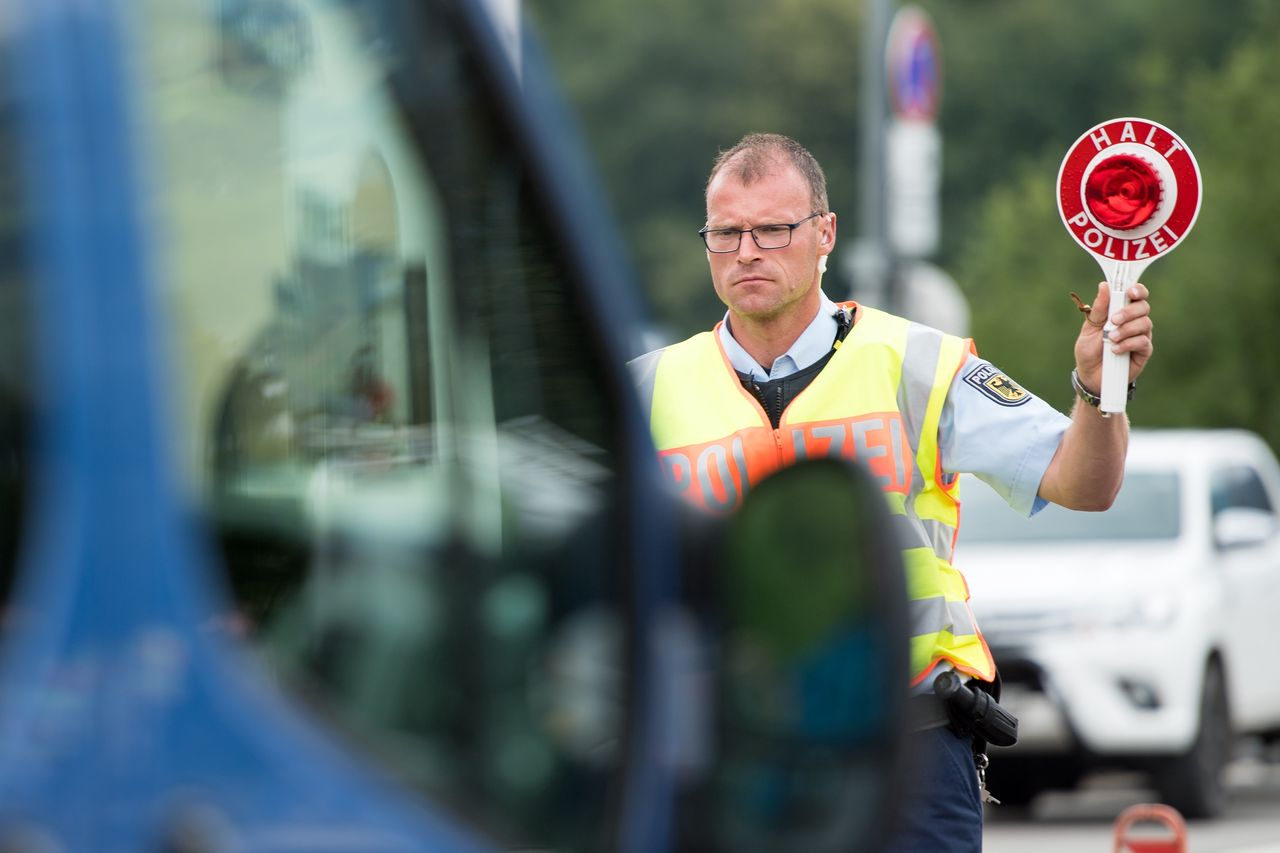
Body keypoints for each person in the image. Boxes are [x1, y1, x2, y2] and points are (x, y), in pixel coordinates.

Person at [628, 133, 1153, 851]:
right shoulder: (647, 387)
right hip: (731, 758)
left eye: (773, 228)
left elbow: (1086, 483)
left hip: (909, 747)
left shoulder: (919, 362)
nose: (747, 250)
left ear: (824, 233)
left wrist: (1098, 388)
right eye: (726, 232)